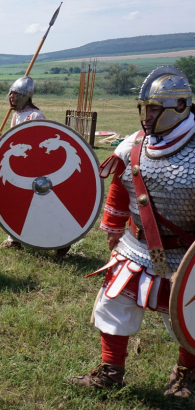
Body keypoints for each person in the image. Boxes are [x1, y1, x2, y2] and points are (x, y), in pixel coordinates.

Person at [69, 67, 195, 398]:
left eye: (154, 109)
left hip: (186, 256)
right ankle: (110, 371)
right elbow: (121, 186)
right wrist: (113, 227)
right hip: (135, 247)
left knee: (188, 316)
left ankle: (186, 374)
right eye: (144, 108)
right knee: (112, 303)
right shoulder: (133, 145)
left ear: (180, 107)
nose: (146, 117)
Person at [0, 77, 51, 251]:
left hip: (33, 169)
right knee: (16, 202)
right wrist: (2, 140)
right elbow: (14, 142)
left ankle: (57, 238)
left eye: (16, 95)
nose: (12, 98)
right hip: (19, 166)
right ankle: (14, 239)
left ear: (26, 96)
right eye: (11, 94)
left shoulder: (36, 116)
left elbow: (38, 144)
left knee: (36, 205)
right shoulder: (17, 115)